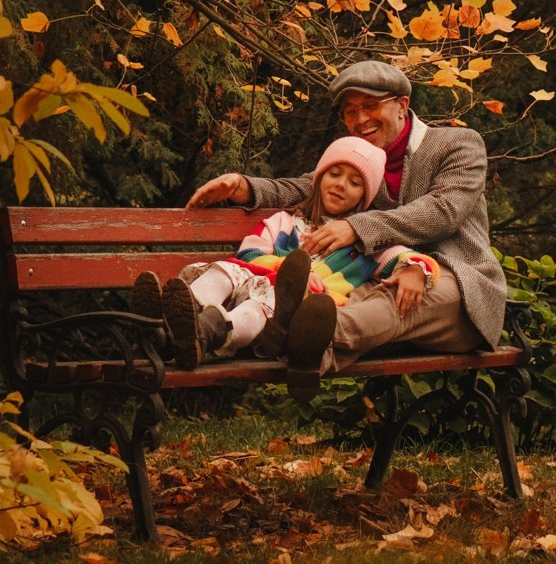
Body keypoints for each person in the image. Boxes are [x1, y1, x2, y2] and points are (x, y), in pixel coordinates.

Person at [187, 59, 507, 390]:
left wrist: (358, 229)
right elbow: (306, 187)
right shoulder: (363, 164)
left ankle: (287, 334)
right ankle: (302, 347)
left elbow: (444, 210)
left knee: (391, 300)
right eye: (350, 111)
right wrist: (245, 187)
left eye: (370, 106)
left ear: (402, 106)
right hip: (377, 280)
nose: (360, 119)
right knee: (341, 302)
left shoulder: (458, 144)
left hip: (459, 285)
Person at [133, 134, 440, 401]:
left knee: (269, 300)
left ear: (365, 197)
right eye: (335, 174)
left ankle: (201, 331)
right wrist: (284, 266)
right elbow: (249, 254)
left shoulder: (364, 245)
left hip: (280, 318)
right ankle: (175, 318)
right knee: (230, 269)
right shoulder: (283, 222)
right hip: (245, 286)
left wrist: (416, 270)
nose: (341, 185)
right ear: (319, 177)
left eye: (355, 182)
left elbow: (405, 258)